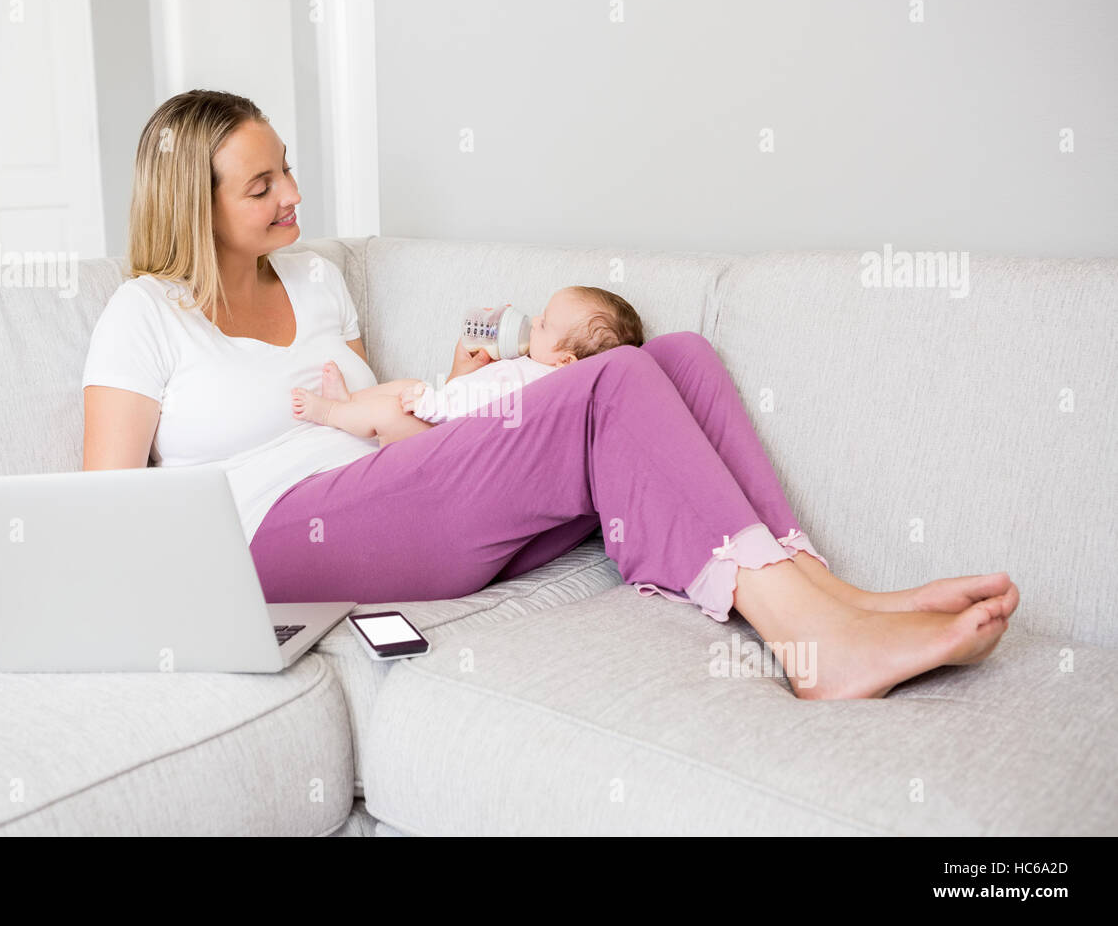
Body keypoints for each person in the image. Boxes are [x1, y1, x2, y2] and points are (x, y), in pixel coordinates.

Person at [82, 89, 1019, 700]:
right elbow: (105, 517)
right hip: (273, 539)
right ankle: (816, 648)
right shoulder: (146, 313)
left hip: (395, 501)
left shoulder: (318, 281)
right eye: (262, 184)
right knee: (609, 380)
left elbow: (383, 435)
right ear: (194, 208)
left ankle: (831, 596)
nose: (294, 191)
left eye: (286, 163)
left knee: (681, 354)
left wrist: (472, 411)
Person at [289, 286, 645, 446]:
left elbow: (482, 409)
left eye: (544, 324)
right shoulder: (530, 363)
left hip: (445, 439)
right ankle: (350, 400)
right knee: (406, 385)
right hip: (445, 414)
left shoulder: (537, 387)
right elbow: (474, 389)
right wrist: (469, 367)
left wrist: (432, 404)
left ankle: (330, 411)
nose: (534, 320)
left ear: (564, 361)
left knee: (391, 412)